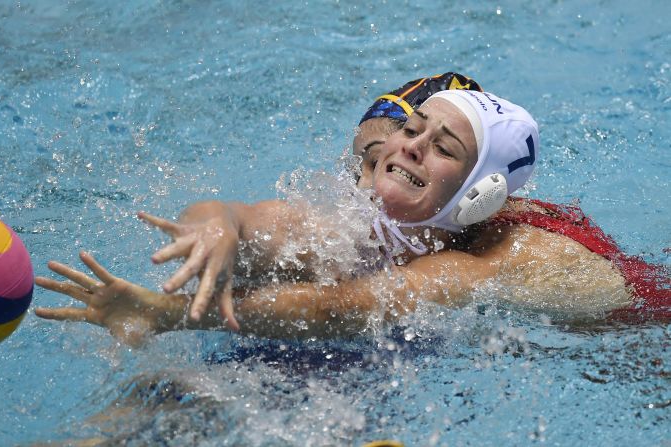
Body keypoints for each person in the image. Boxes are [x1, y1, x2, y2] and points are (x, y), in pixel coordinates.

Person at [34, 76, 670, 347]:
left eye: (439, 146)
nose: (405, 146)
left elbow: (346, 308)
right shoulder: (374, 207)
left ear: (479, 194)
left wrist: (168, 315)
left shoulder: (505, 259)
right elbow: (249, 215)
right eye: (408, 129)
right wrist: (216, 229)